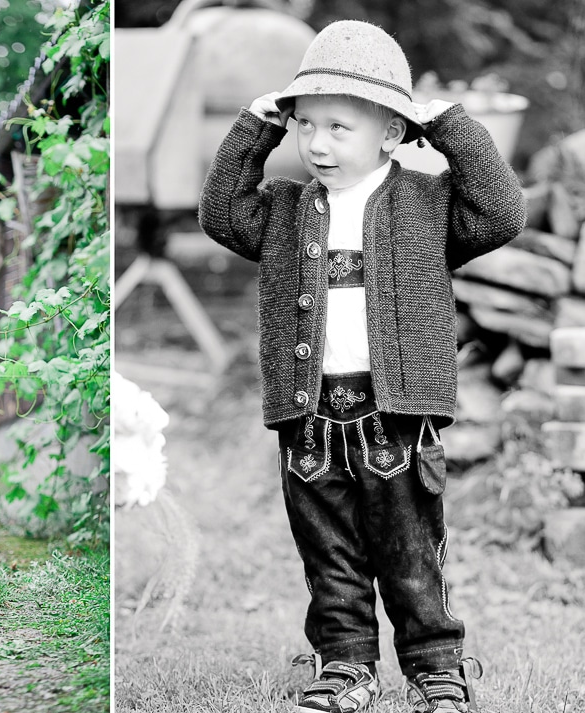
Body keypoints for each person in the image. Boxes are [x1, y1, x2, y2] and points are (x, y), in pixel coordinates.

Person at [197, 20, 526, 713]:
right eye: (304, 124)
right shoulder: (285, 208)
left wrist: (450, 127)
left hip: (397, 419)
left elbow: (501, 212)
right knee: (332, 560)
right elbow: (221, 212)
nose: (316, 143)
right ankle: (345, 665)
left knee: (411, 555)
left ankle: (436, 667)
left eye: (339, 127)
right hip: (310, 423)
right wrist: (254, 129)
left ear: (390, 132)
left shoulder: (428, 203)